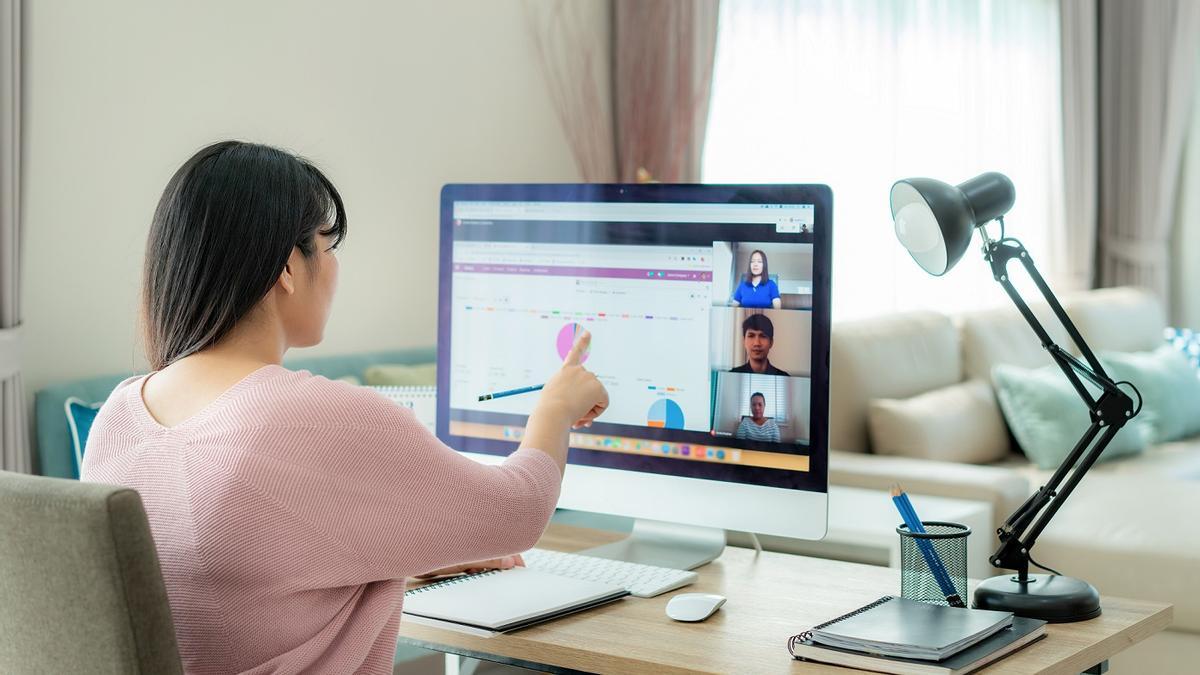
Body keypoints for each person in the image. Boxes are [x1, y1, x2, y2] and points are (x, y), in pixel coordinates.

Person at [80, 141, 609, 675]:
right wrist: (556, 407)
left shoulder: (118, 419)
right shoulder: (321, 418)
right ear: (288, 266)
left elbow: (227, 587)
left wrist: (407, 560)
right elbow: (517, 513)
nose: (334, 268)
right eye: (327, 248)